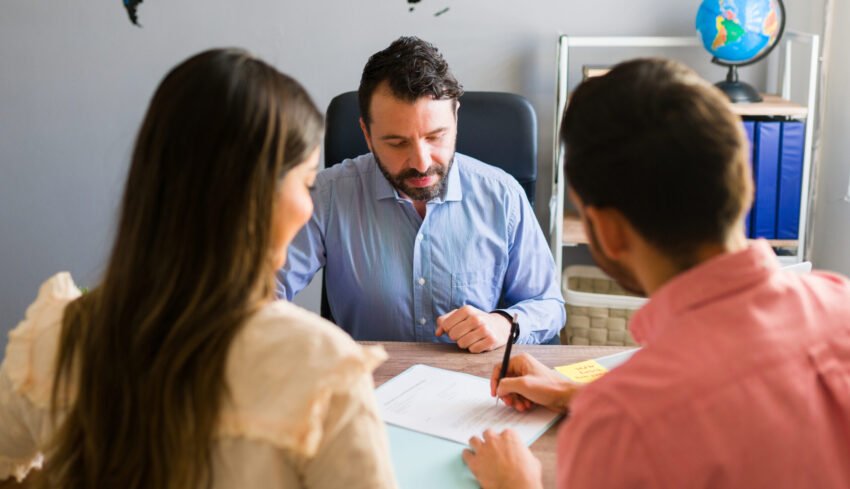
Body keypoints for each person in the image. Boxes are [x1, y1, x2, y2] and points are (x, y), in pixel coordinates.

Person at [0, 49, 396, 489]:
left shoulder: (54, 338)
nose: (309, 208)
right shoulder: (322, 371)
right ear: (253, 199)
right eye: (305, 184)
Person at [462, 58, 850, 488]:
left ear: (607, 231)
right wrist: (572, 393)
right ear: (743, 181)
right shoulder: (840, 299)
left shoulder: (621, 425)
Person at [277, 37, 565, 352]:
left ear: (455, 118)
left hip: (475, 388)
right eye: (397, 143)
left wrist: (505, 324)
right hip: (368, 387)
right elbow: (261, 296)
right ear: (367, 135)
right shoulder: (327, 196)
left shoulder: (502, 194)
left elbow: (548, 304)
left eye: (435, 137)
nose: (421, 162)